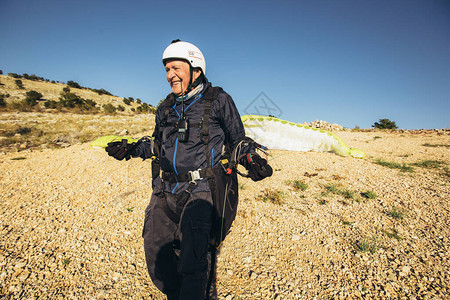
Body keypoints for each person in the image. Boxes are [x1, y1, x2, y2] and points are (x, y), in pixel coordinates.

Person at [105, 40, 272, 299]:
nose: (170, 75)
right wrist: (130, 150)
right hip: (165, 190)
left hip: (202, 190)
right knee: (157, 255)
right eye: (166, 69)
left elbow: (238, 140)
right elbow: (156, 146)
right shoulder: (164, 108)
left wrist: (251, 160)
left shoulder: (219, 100)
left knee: (194, 262)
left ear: (195, 68)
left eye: (175, 68)